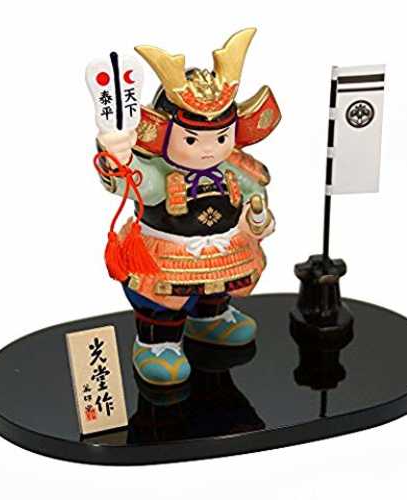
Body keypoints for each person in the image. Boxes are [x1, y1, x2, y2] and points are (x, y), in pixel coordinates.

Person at [95, 28, 280, 386]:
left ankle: (211, 318)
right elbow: (134, 181)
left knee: (218, 289)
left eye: (221, 138)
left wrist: (256, 217)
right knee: (161, 302)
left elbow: (255, 192)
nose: (209, 150)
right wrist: (118, 154)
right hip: (169, 251)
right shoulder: (159, 175)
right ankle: (157, 343)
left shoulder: (233, 168)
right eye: (192, 140)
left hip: (224, 248)